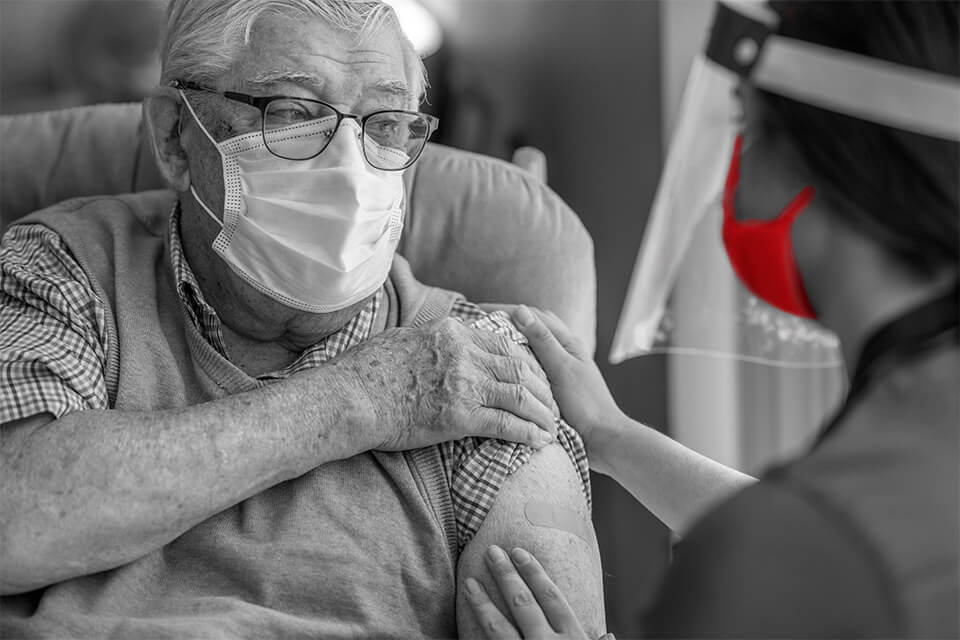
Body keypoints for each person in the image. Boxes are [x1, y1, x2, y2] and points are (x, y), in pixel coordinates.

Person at [0, 1, 605, 637]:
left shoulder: (470, 366)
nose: (349, 167)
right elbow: (18, 517)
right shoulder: (61, 268)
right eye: (292, 112)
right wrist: (359, 398)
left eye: (384, 122)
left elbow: (552, 616)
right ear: (177, 135)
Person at [464, 1, 959, 637]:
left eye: (745, 130)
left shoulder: (768, 559)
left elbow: (815, 547)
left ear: (806, 159)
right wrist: (611, 436)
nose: (737, 178)